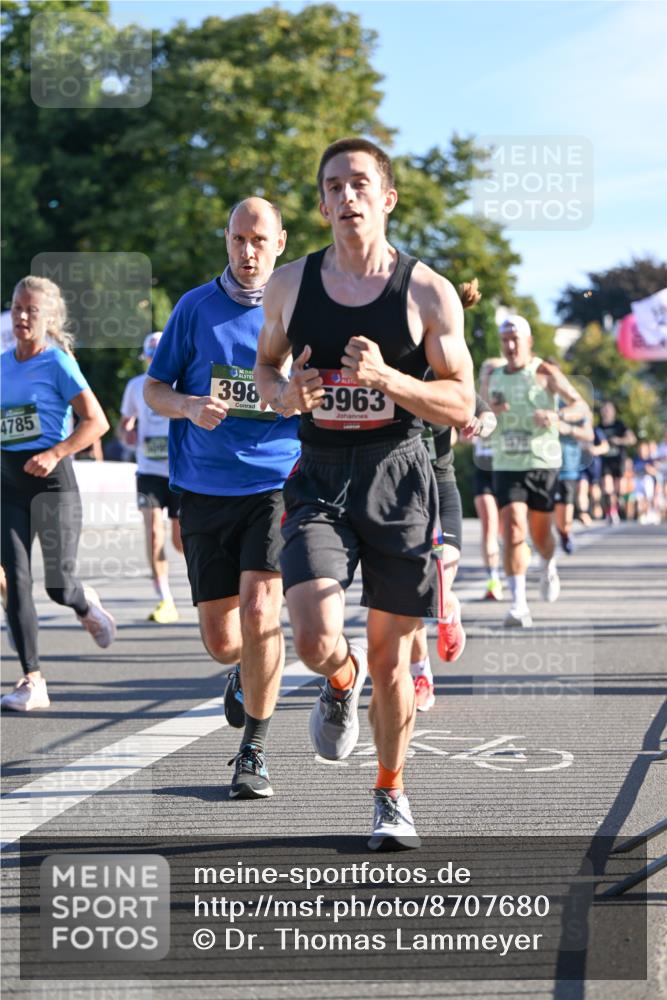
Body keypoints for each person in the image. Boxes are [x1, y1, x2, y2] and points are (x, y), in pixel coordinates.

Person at [254, 137, 475, 848]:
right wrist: (285, 395)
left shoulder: (427, 291)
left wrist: (389, 380)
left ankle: (390, 791)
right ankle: (338, 680)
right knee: (315, 637)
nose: (346, 196)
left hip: (399, 478)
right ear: (321, 205)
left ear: (387, 199)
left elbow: (461, 401)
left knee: (392, 659)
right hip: (319, 474)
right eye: (332, 186)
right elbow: (265, 370)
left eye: (358, 184)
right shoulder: (290, 285)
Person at [144, 197, 300, 800]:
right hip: (204, 488)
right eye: (239, 239)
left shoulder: (298, 311)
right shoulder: (194, 308)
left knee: (261, 612)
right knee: (223, 641)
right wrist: (186, 405)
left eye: (259, 240)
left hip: (275, 483)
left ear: (280, 243)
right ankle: (242, 672)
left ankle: (254, 749)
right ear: (227, 240)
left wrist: (298, 398)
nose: (248, 251)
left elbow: (322, 390)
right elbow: (155, 388)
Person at [1, 275, 116, 712]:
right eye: (17, 307)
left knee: (58, 585)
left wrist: (55, 452)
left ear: (48, 317)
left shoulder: (58, 363)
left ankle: (85, 605)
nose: (21, 316)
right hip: (8, 484)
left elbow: (96, 421)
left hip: (52, 484)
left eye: (31, 310)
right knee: (15, 579)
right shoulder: (2, 364)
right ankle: (33, 680)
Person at [483, 315, 587, 628]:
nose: (510, 346)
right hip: (507, 463)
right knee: (513, 527)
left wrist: (556, 416)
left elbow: (580, 406)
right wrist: (486, 415)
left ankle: (548, 564)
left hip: (543, 462)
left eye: (515, 340)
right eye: (505, 341)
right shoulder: (493, 376)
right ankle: (518, 605)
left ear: (528, 342)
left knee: (541, 535)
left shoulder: (544, 372)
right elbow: (479, 411)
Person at [119, 331, 184, 623]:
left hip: (181, 471)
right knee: (153, 531)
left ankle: (207, 583)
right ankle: (165, 599)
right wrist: (127, 433)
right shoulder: (135, 386)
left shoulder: (182, 384)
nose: (153, 362)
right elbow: (125, 423)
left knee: (181, 540)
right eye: (150, 358)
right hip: (148, 471)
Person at [473, 357, 505, 600]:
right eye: (488, 372)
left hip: (507, 468)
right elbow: (462, 437)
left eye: (496, 372)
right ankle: (493, 578)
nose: (492, 377)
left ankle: (514, 557)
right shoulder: (472, 401)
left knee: (508, 529)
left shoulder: (509, 402)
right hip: (483, 468)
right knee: (489, 526)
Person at [552, 369, 594, 554]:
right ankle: (549, 542)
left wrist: (567, 428)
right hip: (540, 465)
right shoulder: (533, 402)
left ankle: (564, 532)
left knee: (565, 514)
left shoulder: (571, 405)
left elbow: (589, 434)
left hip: (567, 464)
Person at [597, 401, 636, 524]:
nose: (606, 412)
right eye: (604, 409)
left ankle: (618, 508)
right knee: (607, 488)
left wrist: (618, 440)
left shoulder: (620, 425)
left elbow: (632, 439)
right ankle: (611, 513)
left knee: (619, 490)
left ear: (614, 412)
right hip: (605, 461)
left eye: (609, 409)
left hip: (619, 461)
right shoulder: (598, 428)